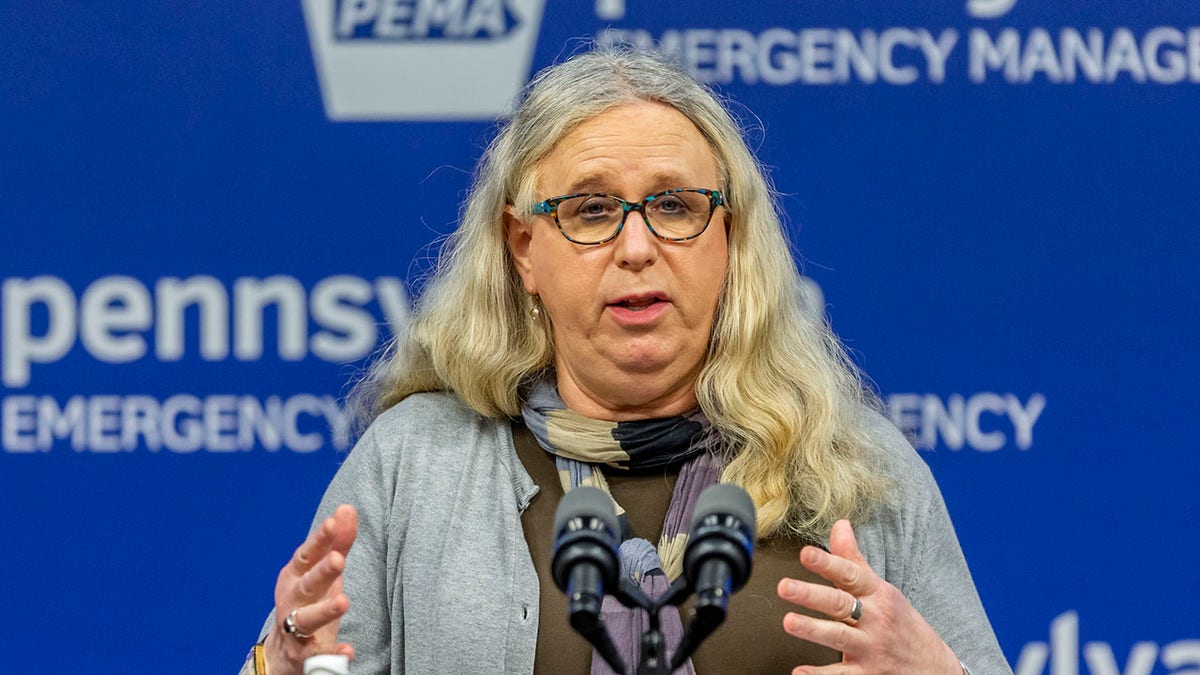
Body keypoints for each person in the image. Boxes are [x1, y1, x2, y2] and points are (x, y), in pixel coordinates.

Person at [240, 47, 1011, 675]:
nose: (636, 248)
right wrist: (282, 665)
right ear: (523, 249)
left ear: (730, 242)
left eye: (675, 205)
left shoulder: (855, 469)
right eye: (591, 209)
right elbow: (307, 662)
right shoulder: (416, 463)